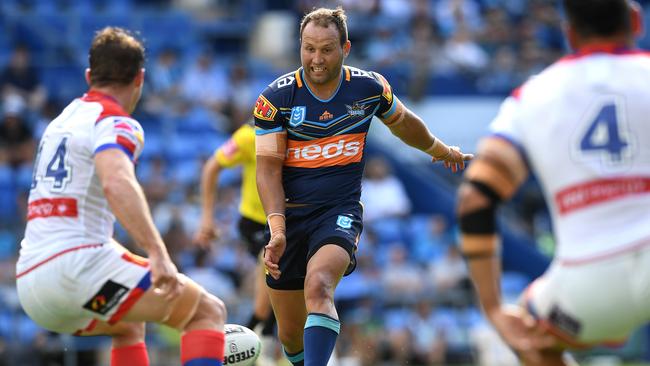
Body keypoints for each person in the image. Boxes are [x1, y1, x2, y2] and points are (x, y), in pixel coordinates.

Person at [254, 7, 473, 366]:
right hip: (289, 218)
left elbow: (404, 124)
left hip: (338, 212)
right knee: (290, 334)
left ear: (346, 48)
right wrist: (277, 229)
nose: (316, 58)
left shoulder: (369, 88)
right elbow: (267, 170)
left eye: (326, 49)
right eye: (308, 48)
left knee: (319, 284)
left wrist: (440, 149)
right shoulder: (275, 99)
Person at [15, 27, 227, 366]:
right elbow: (117, 182)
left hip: (34, 285)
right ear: (140, 78)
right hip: (77, 272)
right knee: (207, 312)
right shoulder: (114, 120)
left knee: (127, 325)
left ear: (89, 76)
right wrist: (157, 253)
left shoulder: (61, 122)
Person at [456, 1, 649, 365]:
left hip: (589, 284)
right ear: (636, 21)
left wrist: (495, 309)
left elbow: (474, 201)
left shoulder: (531, 98)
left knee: (532, 336)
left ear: (569, 32)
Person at [193, 122, 277, 342]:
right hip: (258, 223)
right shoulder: (250, 136)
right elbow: (212, 167)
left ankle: (260, 338)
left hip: (288, 222)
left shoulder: (306, 132)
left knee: (283, 290)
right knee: (271, 278)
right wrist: (207, 219)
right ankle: (249, 341)